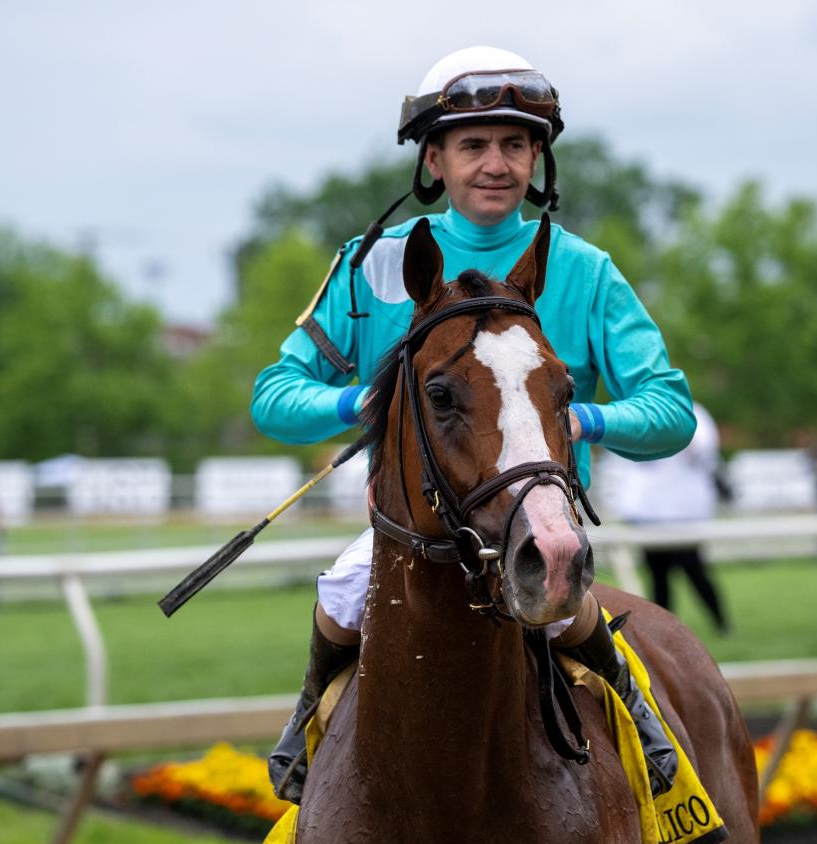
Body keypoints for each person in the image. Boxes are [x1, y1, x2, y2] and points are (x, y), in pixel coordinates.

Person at [252, 46, 696, 804]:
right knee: (344, 587)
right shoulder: (372, 266)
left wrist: (576, 416)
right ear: (435, 158)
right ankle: (305, 745)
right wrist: (355, 402)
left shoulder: (585, 270)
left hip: (534, 527)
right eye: (474, 145)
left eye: (516, 144)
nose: (497, 163)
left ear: (537, 158)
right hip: (410, 539)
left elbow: (670, 413)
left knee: (565, 611)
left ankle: (653, 753)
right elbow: (273, 395)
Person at [606, 402, 730, 633]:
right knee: (658, 575)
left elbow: (703, 449)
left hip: (682, 512)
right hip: (647, 511)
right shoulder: (637, 409)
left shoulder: (691, 411)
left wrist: (673, 429)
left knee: (694, 569)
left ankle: (721, 622)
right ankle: (662, 628)